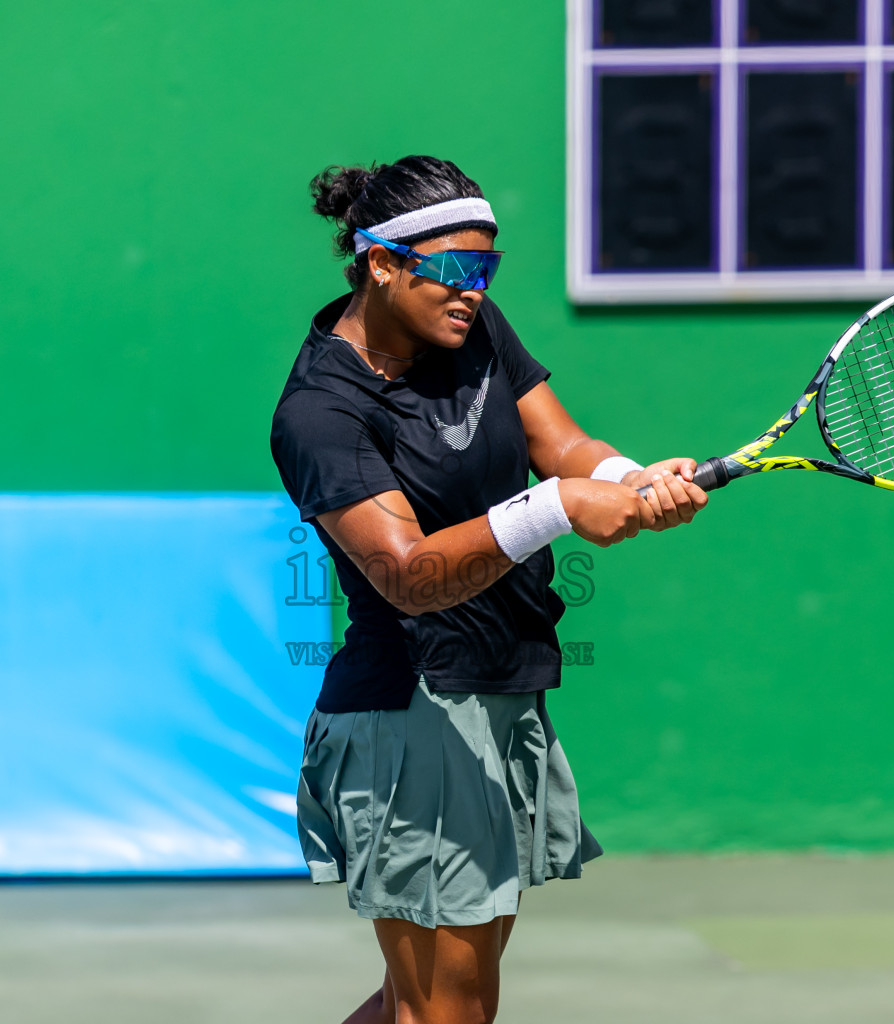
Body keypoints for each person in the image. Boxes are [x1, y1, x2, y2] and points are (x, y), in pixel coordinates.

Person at [270, 155, 707, 1024]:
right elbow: (405, 574)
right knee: (450, 1010)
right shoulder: (320, 411)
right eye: (452, 271)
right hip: (413, 712)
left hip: (506, 688)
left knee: (425, 1000)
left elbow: (562, 443)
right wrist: (557, 509)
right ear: (380, 262)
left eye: (485, 269)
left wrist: (627, 478)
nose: (472, 290)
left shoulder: (469, 326)